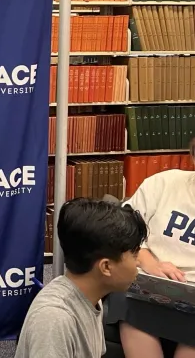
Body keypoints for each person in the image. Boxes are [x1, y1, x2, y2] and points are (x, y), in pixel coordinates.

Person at [15, 198, 148, 358]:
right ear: (106, 267)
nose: (138, 262)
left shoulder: (92, 297)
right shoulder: (54, 320)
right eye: (134, 254)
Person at [105, 140, 195, 358]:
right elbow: (121, 229)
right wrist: (148, 261)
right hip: (147, 280)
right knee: (127, 294)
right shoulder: (163, 183)